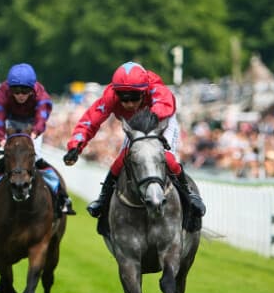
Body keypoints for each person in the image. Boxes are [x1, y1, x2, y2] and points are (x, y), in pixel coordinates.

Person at [62, 61, 205, 230]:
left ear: (144, 91)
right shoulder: (110, 96)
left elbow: (164, 106)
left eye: (134, 97)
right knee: (121, 160)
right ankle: (104, 200)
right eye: (124, 98)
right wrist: (76, 146)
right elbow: (90, 120)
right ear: (116, 93)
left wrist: (152, 126)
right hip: (136, 125)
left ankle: (189, 196)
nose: (129, 103)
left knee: (165, 158)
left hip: (161, 121)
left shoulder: (156, 88)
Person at [0, 63, 75, 215]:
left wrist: (34, 134)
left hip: (32, 125)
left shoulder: (41, 95)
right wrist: (1, 140)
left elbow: (41, 117)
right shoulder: (2, 92)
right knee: (6, 161)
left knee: (37, 159)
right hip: (11, 123)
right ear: (10, 88)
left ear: (32, 88)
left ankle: (62, 197)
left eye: (25, 91)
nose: (21, 95)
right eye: (16, 91)